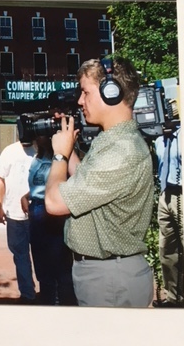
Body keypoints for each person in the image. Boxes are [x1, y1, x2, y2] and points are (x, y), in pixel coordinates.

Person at [45, 57, 154, 307]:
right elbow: (88, 182)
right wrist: (69, 147)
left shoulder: (122, 150)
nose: (80, 101)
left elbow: (54, 202)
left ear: (111, 92)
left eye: (85, 92)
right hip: (106, 274)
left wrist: (60, 155)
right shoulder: (113, 141)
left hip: (110, 279)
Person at [20, 135, 77, 305]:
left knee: (60, 265)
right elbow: (39, 185)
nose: (38, 138)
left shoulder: (60, 158)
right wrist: (27, 196)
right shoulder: (38, 158)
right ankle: (47, 301)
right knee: (42, 265)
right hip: (36, 211)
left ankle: (64, 304)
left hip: (54, 213)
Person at [0, 137, 36, 304]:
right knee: (20, 256)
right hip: (14, 215)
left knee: (42, 256)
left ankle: (49, 292)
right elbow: (1, 180)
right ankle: (28, 294)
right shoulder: (9, 151)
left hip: (39, 214)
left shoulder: (42, 150)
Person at [154, 124, 184, 307]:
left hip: (183, 195)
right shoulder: (158, 137)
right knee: (167, 250)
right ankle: (174, 298)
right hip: (166, 195)